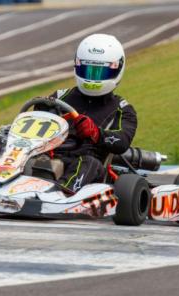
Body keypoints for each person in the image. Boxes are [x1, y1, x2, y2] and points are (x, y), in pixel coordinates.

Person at [37, 34, 137, 192]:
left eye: (99, 73)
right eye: (87, 70)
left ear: (117, 68)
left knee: (87, 162)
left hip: (91, 170)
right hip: (50, 157)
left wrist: (97, 133)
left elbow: (122, 142)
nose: (92, 79)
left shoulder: (123, 109)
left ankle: (59, 193)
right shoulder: (59, 97)